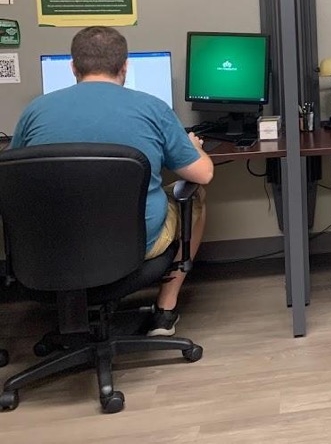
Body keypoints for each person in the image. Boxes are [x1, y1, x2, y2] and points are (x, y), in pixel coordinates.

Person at [11, 26, 214, 336]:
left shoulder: (35, 112)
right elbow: (203, 174)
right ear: (125, 66)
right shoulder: (152, 108)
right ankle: (165, 310)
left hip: (52, 248)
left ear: (73, 67)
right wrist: (195, 149)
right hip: (134, 247)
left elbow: (11, 176)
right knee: (194, 194)